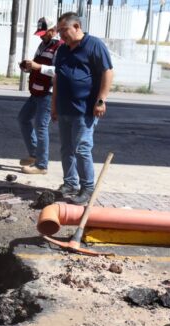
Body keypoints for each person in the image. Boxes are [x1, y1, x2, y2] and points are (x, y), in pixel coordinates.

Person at [51, 12, 114, 206]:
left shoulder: (94, 45)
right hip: (64, 108)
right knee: (66, 149)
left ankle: (87, 188)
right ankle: (70, 183)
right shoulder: (62, 50)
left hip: (85, 109)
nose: (61, 35)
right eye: (59, 31)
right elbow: (57, 78)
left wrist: (101, 100)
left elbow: (107, 72)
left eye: (64, 30)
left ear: (77, 27)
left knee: (81, 149)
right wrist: (54, 106)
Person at [18, 17, 62, 175]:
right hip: (36, 92)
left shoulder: (60, 47)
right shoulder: (42, 45)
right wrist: (28, 67)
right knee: (23, 118)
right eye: (40, 34)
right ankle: (34, 154)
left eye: (44, 33)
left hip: (48, 93)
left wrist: (38, 66)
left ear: (52, 30)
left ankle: (42, 165)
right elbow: (37, 65)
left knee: (41, 127)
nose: (41, 36)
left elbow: (59, 71)